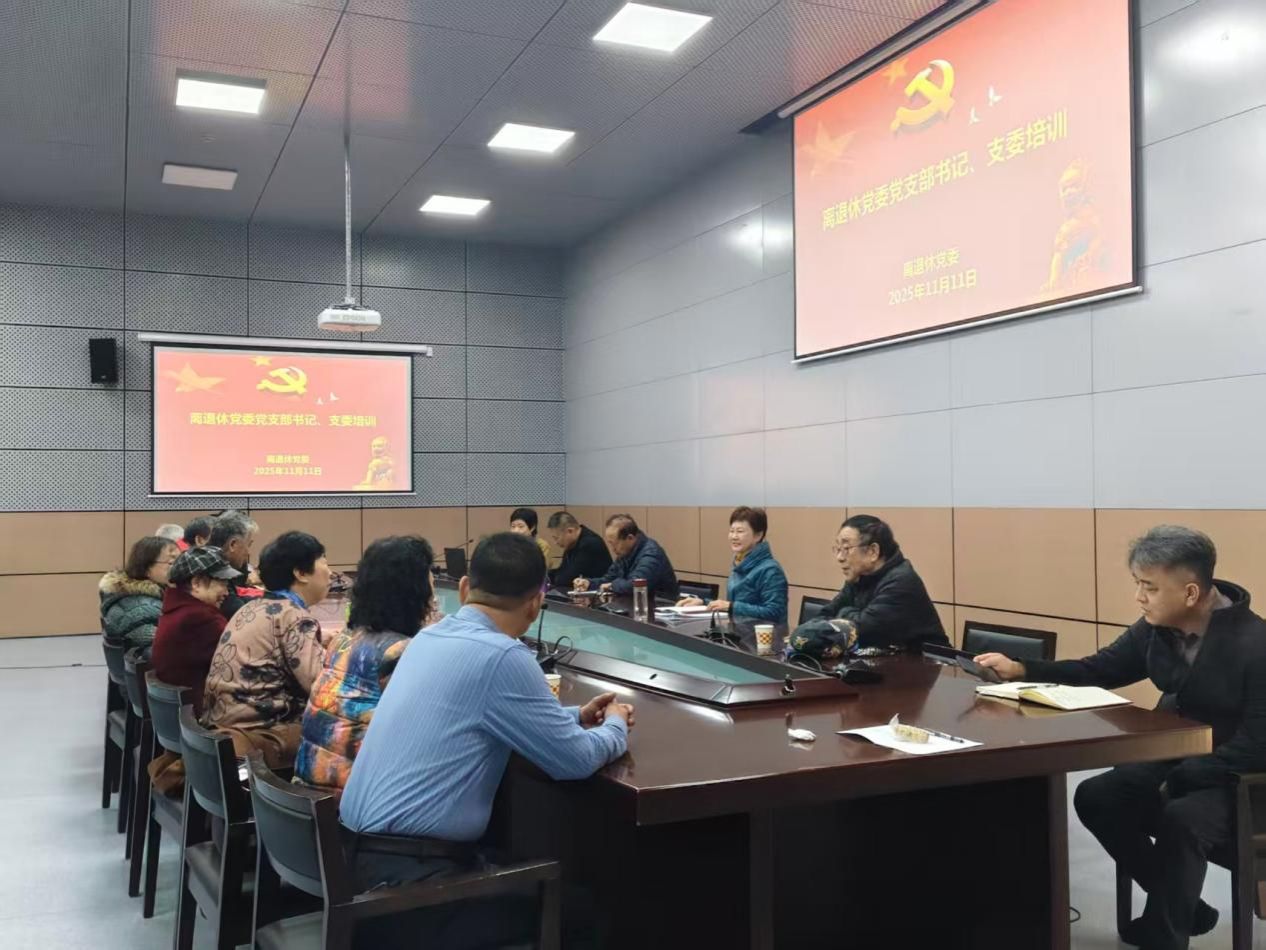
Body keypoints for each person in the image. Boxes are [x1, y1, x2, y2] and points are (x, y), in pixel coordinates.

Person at [976, 526, 1266, 950]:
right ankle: (1184, 908)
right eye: (1138, 584)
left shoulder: (1256, 644)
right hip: (1180, 757)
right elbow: (1099, 669)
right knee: (1097, 795)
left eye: (1149, 587)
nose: (1139, 597)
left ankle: (1165, 935)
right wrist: (1022, 670)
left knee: (1182, 818)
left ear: (1190, 593)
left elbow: (1258, 743)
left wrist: (1187, 775)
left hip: (1240, 778)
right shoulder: (1156, 628)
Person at [340, 532, 631, 947]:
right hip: (410, 893)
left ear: (463, 588)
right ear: (536, 603)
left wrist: (572, 716)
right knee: (583, 912)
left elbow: (470, 711)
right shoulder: (504, 656)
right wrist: (615, 725)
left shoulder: (427, 639)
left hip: (356, 872)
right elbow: (575, 760)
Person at [296, 535, 436, 793]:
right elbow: (427, 733)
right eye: (430, 577)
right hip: (353, 799)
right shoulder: (399, 652)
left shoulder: (344, 640)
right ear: (416, 591)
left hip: (311, 788)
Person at [200, 531, 330, 768]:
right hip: (256, 736)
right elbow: (322, 688)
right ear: (300, 573)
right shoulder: (294, 617)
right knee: (348, 735)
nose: (330, 573)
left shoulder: (253, 608)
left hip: (222, 730)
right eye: (324, 563)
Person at [815, 514, 947, 650]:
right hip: (885, 658)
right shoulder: (859, 576)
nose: (840, 557)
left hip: (926, 661)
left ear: (873, 551)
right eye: (838, 549)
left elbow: (860, 631)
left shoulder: (900, 581)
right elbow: (823, 615)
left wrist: (843, 612)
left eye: (846, 548)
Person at [149, 546, 238, 714]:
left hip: (180, 714)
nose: (227, 592)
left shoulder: (177, 610)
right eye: (222, 583)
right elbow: (240, 661)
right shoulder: (201, 618)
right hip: (201, 714)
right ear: (196, 583)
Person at [678, 506, 788, 623]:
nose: (734, 536)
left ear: (758, 535)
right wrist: (703, 603)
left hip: (761, 634)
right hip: (737, 631)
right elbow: (731, 605)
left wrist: (731, 606)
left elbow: (775, 612)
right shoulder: (739, 563)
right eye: (731, 531)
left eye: (740, 531)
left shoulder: (771, 570)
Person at [100, 536, 179, 655]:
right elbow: (157, 652)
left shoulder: (137, 595)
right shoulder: (142, 609)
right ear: (146, 568)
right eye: (172, 563)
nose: (180, 568)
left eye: (181, 561)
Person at [573, 514, 680, 601]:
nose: (612, 549)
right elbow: (609, 579)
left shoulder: (651, 554)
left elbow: (636, 585)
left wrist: (612, 585)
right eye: (610, 543)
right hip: (633, 605)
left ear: (630, 538)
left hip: (659, 607)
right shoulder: (625, 552)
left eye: (614, 543)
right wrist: (589, 583)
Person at [207, 510, 258, 619]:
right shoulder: (212, 570)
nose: (249, 552)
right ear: (233, 544)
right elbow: (239, 613)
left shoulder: (215, 561)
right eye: (248, 545)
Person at [546, 511, 612, 591]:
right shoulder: (572, 543)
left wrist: (550, 578)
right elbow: (562, 570)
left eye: (556, 538)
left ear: (570, 531)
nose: (555, 542)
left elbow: (566, 579)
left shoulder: (590, 544)